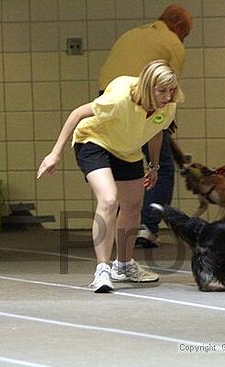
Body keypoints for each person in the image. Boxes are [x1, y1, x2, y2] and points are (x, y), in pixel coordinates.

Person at [37, 60, 183, 293]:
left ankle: (124, 265)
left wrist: (154, 166)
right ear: (147, 87)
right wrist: (54, 154)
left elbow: (157, 133)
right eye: (162, 91)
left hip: (126, 149)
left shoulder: (167, 106)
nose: (167, 96)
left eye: (171, 90)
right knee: (108, 199)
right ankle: (102, 270)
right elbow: (77, 114)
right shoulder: (119, 99)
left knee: (133, 206)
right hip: (94, 141)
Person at [98, 4, 192, 248]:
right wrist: (167, 119)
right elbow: (170, 88)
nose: (184, 39)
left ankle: (118, 222)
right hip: (141, 94)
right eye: (186, 34)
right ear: (179, 27)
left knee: (120, 159)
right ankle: (147, 227)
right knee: (161, 166)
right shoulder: (173, 43)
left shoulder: (134, 33)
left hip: (109, 95)